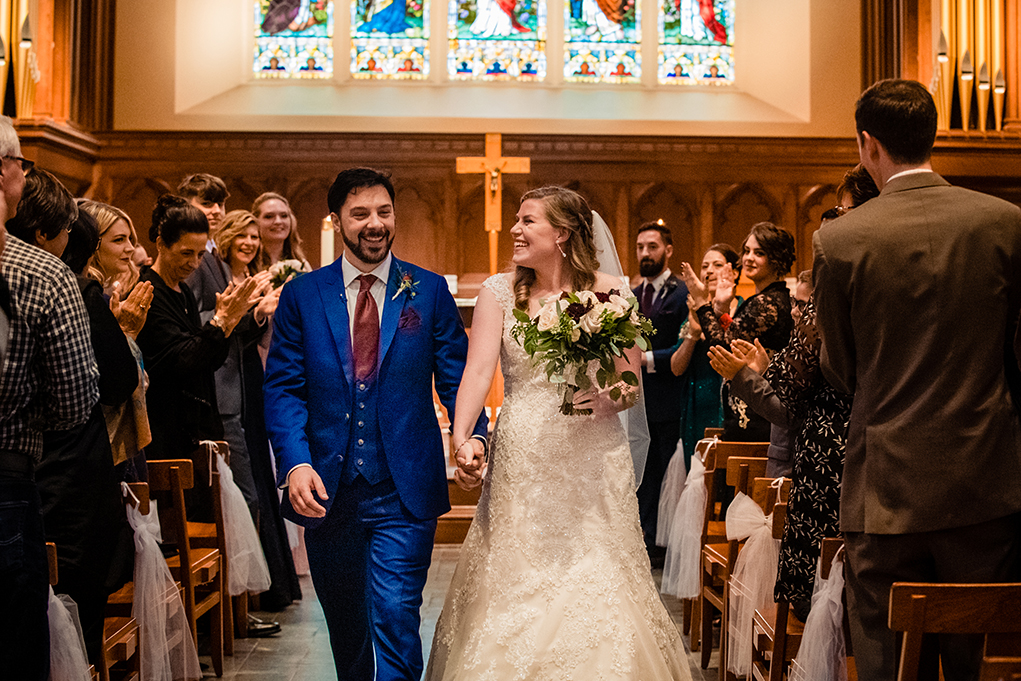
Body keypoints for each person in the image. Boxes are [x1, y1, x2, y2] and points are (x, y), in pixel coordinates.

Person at [428, 186, 689, 679]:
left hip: (594, 453)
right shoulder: (497, 293)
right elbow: (478, 373)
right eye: (517, 220)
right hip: (524, 452)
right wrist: (462, 439)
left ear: (562, 234)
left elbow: (630, 384)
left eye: (528, 221)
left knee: (598, 571)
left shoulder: (612, 293)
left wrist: (608, 399)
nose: (515, 230)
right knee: (516, 569)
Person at [813, 78, 1021, 681]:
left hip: (885, 489)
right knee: (981, 661)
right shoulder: (1005, 223)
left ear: (867, 144)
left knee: (884, 659)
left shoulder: (841, 240)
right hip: (986, 482)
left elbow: (841, 370)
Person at [263, 167, 486, 679]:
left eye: (384, 212)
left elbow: (458, 378)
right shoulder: (302, 295)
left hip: (402, 489)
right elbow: (284, 388)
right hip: (326, 489)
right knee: (346, 627)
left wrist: (471, 435)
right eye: (360, 213)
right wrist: (295, 464)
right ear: (337, 219)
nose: (374, 224)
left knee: (397, 616)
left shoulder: (426, 292)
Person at [0, 117, 99, 681]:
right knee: (14, 646)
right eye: (20, 166)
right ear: (5, 175)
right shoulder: (42, 274)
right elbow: (72, 405)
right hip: (7, 482)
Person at [40, 203, 150, 667]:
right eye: (118, 240)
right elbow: (110, 382)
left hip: (73, 457)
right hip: (80, 457)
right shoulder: (82, 291)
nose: (132, 250)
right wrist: (123, 333)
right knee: (80, 590)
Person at [135, 195, 261, 520]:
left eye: (199, 254)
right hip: (167, 433)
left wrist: (227, 323)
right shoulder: (149, 290)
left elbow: (209, 358)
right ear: (161, 244)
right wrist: (220, 323)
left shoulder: (184, 292)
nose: (193, 264)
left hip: (197, 431)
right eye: (185, 253)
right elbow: (184, 359)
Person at [683, 221, 794, 443]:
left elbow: (723, 351)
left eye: (759, 253)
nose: (749, 258)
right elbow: (735, 336)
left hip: (757, 415)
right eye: (747, 251)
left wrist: (701, 302)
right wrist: (721, 309)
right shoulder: (770, 298)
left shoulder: (766, 302)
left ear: (776, 259)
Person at [632, 219, 688, 564]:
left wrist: (646, 359)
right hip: (638, 402)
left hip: (669, 398)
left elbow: (685, 345)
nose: (645, 253)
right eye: (640, 247)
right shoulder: (633, 295)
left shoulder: (681, 294)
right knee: (643, 473)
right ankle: (643, 539)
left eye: (652, 247)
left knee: (667, 471)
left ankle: (663, 544)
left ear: (668, 250)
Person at [668, 243, 739, 467]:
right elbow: (676, 367)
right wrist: (693, 334)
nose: (708, 271)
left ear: (734, 272)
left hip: (730, 404)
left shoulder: (744, 310)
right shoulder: (695, 314)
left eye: (717, 265)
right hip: (697, 406)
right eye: (704, 266)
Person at [253, 191, 308, 270]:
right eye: (269, 216)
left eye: (284, 216)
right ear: (256, 221)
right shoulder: (247, 265)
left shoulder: (301, 265)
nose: (278, 221)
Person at [177, 173, 229, 251]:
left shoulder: (222, 251)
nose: (217, 211)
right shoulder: (183, 251)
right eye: (206, 204)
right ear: (185, 207)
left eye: (220, 204)